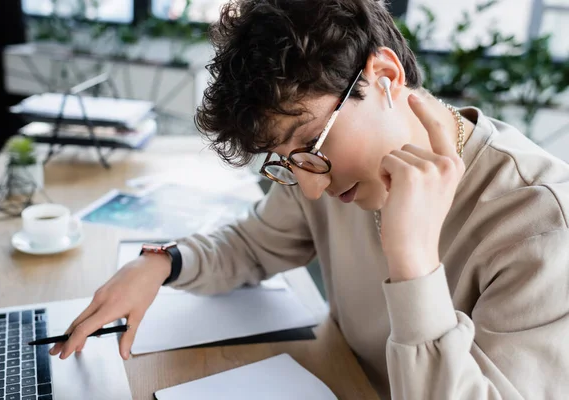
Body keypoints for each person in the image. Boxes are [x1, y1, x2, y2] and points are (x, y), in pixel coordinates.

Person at [49, 0, 569, 398]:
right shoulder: (315, 173)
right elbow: (255, 245)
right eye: (285, 159)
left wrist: (414, 263)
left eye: (312, 145)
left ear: (385, 77)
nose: (314, 187)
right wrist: (163, 264)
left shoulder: (540, 223)